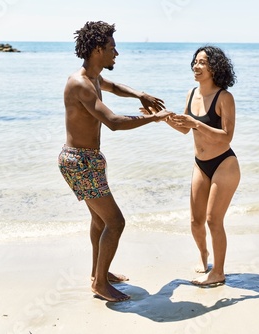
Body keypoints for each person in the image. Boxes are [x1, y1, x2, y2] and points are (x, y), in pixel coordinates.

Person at [58, 21, 171, 302]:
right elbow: (113, 122)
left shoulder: (95, 78)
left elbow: (116, 86)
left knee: (99, 220)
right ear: (98, 50)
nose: (116, 53)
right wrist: (152, 118)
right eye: (112, 48)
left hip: (88, 159)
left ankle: (100, 273)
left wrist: (139, 94)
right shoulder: (80, 83)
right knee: (116, 222)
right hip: (79, 161)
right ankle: (99, 284)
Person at [163, 45, 240, 286]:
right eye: (195, 62)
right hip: (200, 164)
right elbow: (185, 128)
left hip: (224, 164)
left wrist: (196, 124)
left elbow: (226, 136)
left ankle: (218, 271)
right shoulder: (191, 94)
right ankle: (203, 256)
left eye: (203, 62)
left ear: (214, 67)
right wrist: (161, 117)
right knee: (196, 221)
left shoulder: (224, 97)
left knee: (213, 220)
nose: (197, 66)